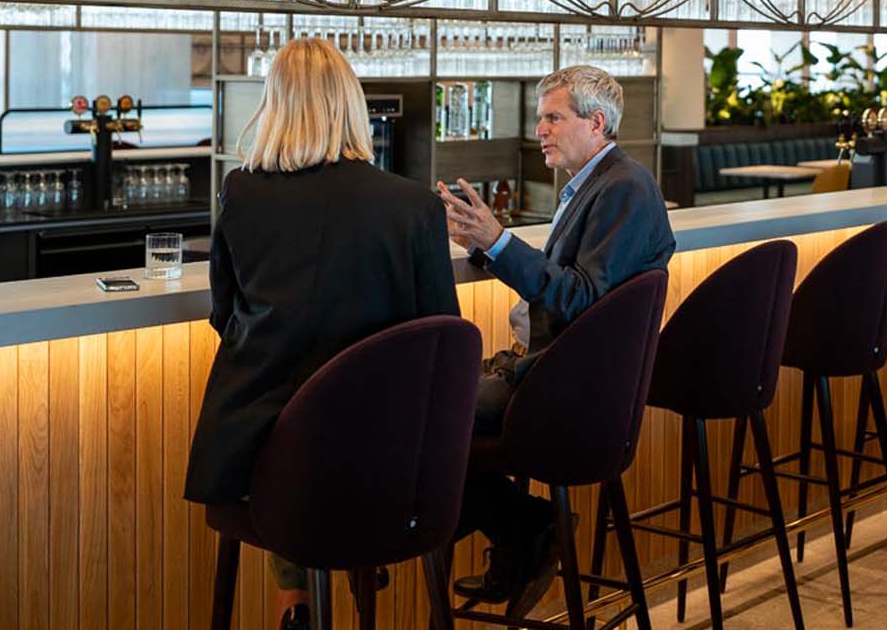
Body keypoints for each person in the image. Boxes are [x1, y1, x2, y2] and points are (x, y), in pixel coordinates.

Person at [186, 37, 459, 629]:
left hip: (265, 447)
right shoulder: (413, 206)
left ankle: (298, 603)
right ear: (351, 103)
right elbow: (444, 332)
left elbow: (223, 315)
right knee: (335, 449)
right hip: (391, 455)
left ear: (274, 104)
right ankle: (353, 577)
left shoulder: (242, 192)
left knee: (290, 444)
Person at [437, 64, 675, 615]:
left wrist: (500, 242)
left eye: (552, 117)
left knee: (429, 413)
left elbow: (581, 298)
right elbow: (561, 277)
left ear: (595, 123)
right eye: (539, 118)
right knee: (426, 400)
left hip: (573, 391)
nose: (539, 129)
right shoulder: (597, 183)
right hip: (560, 374)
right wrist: (485, 244)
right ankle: (516, 532)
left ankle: (522, 528)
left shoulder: (626, 188)